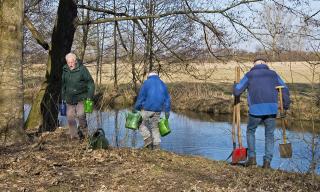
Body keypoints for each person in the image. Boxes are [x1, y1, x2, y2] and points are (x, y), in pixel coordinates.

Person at [233, 57, 290, 168]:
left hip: (255, 110)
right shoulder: (273, 74)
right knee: (269, 135)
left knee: (250, 131)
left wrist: (234, 85)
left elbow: (237, 92)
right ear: (265, 63)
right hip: (271, 110)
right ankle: (267, 163)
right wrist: (286, 106)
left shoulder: (249, 74)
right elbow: (285, 89)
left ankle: (252, 159)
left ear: (254, 64)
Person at [61, 53, 95, 140]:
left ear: (75, 61)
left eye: (72, 62)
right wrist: (63, 96)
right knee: (70, 116)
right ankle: (74, 137)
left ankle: (84, 135)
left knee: (81, 115)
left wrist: (90, 96)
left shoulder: (82, 69)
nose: (70, 64)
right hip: (69, 98)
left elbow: (90, 82)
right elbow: (63, 84)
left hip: (81, 97)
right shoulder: (65, 70)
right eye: (68, 62)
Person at [134, 71, 171, 150]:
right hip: (158, 109)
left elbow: (141, 97)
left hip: (147, 108)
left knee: (139, 122)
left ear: (149, 76)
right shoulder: (162, 84)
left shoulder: (146, 83)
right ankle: (157, 147)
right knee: (155, 127)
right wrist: (167, 111)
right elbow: (167, 99)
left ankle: (148, 139)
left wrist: (136, 108)